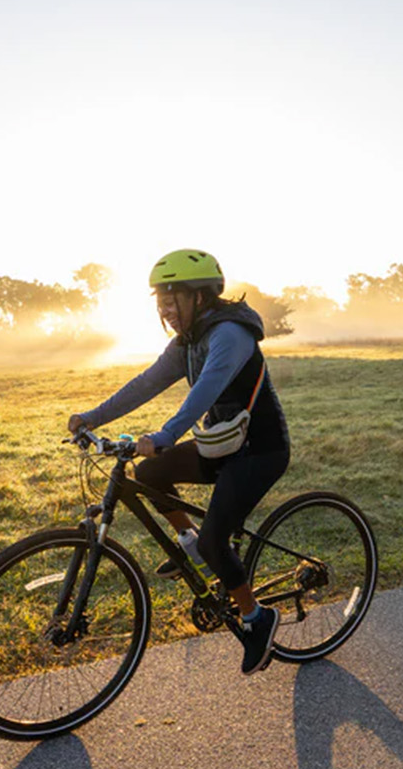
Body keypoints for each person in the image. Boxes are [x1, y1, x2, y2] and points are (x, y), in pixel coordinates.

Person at [68, 249, 290, 675]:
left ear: (200, 298)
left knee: (215, 540)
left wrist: (167, 435)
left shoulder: (231, 334)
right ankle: (191, 545)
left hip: (260, 450)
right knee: (149, 473)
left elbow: (204, 391)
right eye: (160, 303)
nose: (165, 311)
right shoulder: (187, 342)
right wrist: (92, 418)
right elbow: (146, 382)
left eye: (172, 301)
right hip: (221, 444)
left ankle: (256, 618)